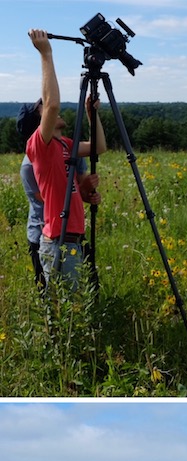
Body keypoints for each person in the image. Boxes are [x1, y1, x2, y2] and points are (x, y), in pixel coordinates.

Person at [26, 28, 106, 291]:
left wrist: (92, 115)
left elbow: (98, 147)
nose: (46, 106)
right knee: (65, 311)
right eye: (41, 107)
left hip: (72, 238)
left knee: (71, 309)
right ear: (39, 121)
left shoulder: (64, 144)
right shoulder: (40, 145)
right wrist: (46, 54)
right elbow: (52, 105)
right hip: (57, 241)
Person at [17, 99, 91, 293]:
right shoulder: (29, 165)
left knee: (79, 288)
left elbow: (76, 188)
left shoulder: (66, 148)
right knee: (50, 293)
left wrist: (87, 190)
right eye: (42, 109)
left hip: (71, 230)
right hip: (45, 233)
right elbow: (47, 197)